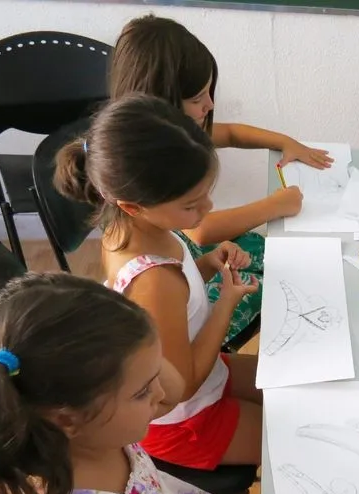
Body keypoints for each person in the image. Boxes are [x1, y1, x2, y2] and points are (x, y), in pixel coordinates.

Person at [0, 272, 279, 494]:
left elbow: (173, 388)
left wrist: (135, 332)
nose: (160, 395)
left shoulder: (96, 433)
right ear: (68, 419)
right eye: (142, 391)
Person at [55, 94, 262, 471]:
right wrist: (227, 301)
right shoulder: (152, 280)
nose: (208, 210)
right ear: (133, 205)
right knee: (299, 435)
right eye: (192, 204)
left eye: (206, 196)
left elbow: (174, 306)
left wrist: (207, 265)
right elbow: (180, 385)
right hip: (187, 421)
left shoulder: (131, 229)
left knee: (292, 389)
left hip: (206, 375)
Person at [110, 14, 329, 341]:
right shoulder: (151, 163)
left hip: (184, 257)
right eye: (198, 99)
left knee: (270, 252)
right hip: (181, 284)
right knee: (278, 286)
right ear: (161, 100)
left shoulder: (157, 132)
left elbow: (229, 132)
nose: (210, 105)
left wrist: (285, 142)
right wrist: (275, 205)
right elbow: (201, 230)